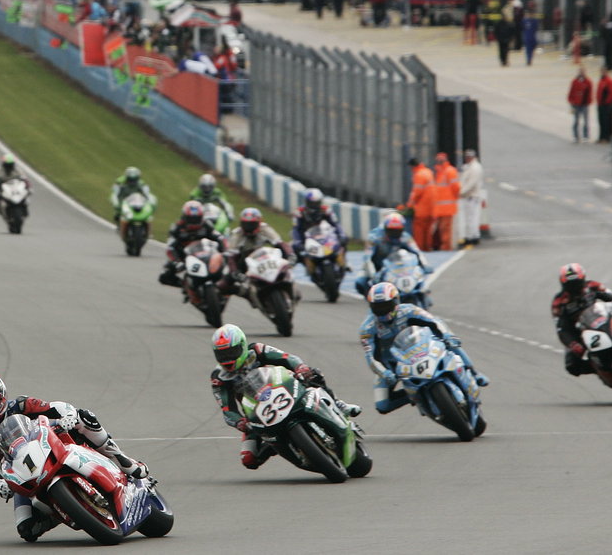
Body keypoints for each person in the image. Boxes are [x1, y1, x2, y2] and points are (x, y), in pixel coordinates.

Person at [0, 372, 146, 542]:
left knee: (84, 417)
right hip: (23, 469)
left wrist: (68, 416)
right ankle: (63, 510)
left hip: (50, 443)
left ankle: (123, 460)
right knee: (27, 529)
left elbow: (54, 407)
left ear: (1, 397)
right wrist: (0, 486)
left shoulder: (20, 405)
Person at [208, 324, 360, 469]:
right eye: (222, 354)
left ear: (242, 345)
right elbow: (227, 409)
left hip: (283, 388)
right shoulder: (219, 377)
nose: (227, 358)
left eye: (231, 352)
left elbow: (287, 357)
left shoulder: (257, 350)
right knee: (249, 459)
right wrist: (239, 422)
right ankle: (282, 446)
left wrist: (300, 368)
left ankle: (338, 403)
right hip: (258, 414)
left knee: (314, 374)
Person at [359, 283, 487, 414]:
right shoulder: (367, 328)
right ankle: (414, 394)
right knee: (382, 406)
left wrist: (448, 335)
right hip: (391, 365)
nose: (383, 310)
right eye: (378, 307)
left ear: (396, 301)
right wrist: (384, 373)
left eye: (386, 305)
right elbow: (370, 358)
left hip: (421, 349)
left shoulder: (408, 310)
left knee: (451, 344)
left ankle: (474, 373)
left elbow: (435, 321)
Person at [159, 201, 224, 287]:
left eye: (196, 219)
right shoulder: (177, 228)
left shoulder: (206, 225)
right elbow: (170, 248)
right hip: (184, 256)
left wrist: (223, 252)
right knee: (165, 275)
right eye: (191, 219)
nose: (194, 222)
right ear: (185, 217)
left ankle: (222, 283)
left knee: (226, 268)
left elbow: (220, 238)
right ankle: (185, 286)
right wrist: (176, 261)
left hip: (206, 253)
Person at [223, 206, 287, 274]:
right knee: (228, 276)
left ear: (259, 222)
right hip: (243, 264)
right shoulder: (236, 234)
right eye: (246, 224)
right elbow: (231, 257)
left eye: (252, 224)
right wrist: (234, 272)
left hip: (264, 261)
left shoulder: (265, 228)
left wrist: (290, 255)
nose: (249, 227)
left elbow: (280, 244)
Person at [428, 152, 461, 252]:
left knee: (445, 229)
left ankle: (446, 246)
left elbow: (456, 188)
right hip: (440, 207)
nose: (439, 162)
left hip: (447, 206)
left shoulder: (449, 171)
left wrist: (453, 198)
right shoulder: (440, 172)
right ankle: (443, 245)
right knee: (441, 229)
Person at [456, 150, 484, 247]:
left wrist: (461, 192)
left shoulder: (475, 168)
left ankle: (473, 237)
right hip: (468, 196)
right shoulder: (468, 167)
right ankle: (471, 236)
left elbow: (471, 183)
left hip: (471, 196)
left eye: (468, 157)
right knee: (469, 218)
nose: (466, 158)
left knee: (472, 218)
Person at [404, 157, 435, 239]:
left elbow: (416, 193)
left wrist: (409, 205)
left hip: (422, 207)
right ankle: (428, 248)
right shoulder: (428, 172)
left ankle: (420, 249)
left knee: (419, 229)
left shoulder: (418, 175)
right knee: (428, 230)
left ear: (413, 166)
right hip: (431, 206)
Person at [568, 67, 593, 142]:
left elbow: (590, 92)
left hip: (584, 104)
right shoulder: (575, 81)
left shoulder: (588, 81)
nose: (582, 73)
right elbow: (571, 92)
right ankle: (576, 136)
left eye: (583, 71)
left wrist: (589, 101)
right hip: (576, 104)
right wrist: (571, 102)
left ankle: (586, 136)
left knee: (586, 120)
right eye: (580, 71)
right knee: (576, 120)